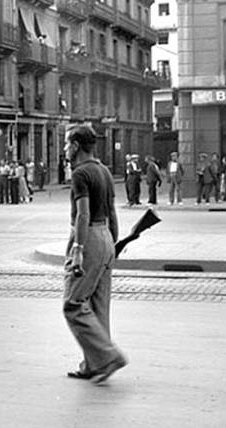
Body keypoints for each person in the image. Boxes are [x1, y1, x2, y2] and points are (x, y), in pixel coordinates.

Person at [61, 123, 127, 384]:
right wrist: (114, 243)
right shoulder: (104, 170)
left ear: (76, 146)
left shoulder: (80, 173)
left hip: (87, 238)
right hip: (106, 237)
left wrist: (78, 248)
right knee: (98, 305)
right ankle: (94, 364)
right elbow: (111, 210)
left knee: (74, 303)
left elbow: (83, 214)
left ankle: (108, 356)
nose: (65, 149)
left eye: (67, 144)